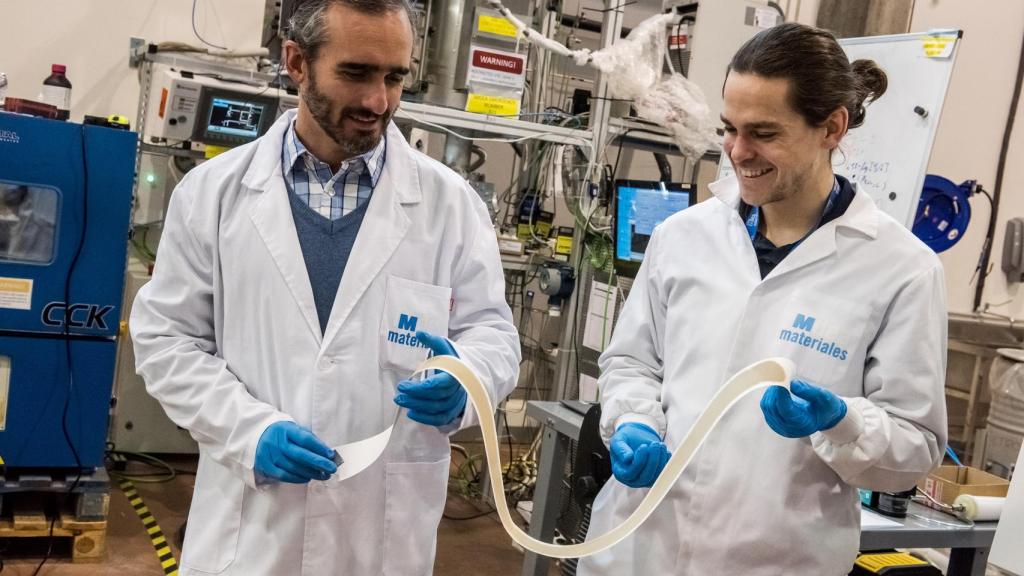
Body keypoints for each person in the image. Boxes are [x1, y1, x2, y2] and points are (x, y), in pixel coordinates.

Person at [130, 0, 520, 573]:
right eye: (356, 73)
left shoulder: (449, 206)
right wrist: (249, 431)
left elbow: (492, 333)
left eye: (395, 77)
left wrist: (467, 379)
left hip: (382, 531)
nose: (377, 101)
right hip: (253, 531)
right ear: (296, 62)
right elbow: (167, 342)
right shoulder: (213, 195)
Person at [578, 23, 947, 575]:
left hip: (776, 560)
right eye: (730, 128)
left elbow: (914, 450)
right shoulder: (685, 236)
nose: (737, 152)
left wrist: (841, 422)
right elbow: (632, 361)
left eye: (764, 133)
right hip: (639, 548)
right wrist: (633, 421)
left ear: (832, 128)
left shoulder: (902, 270)